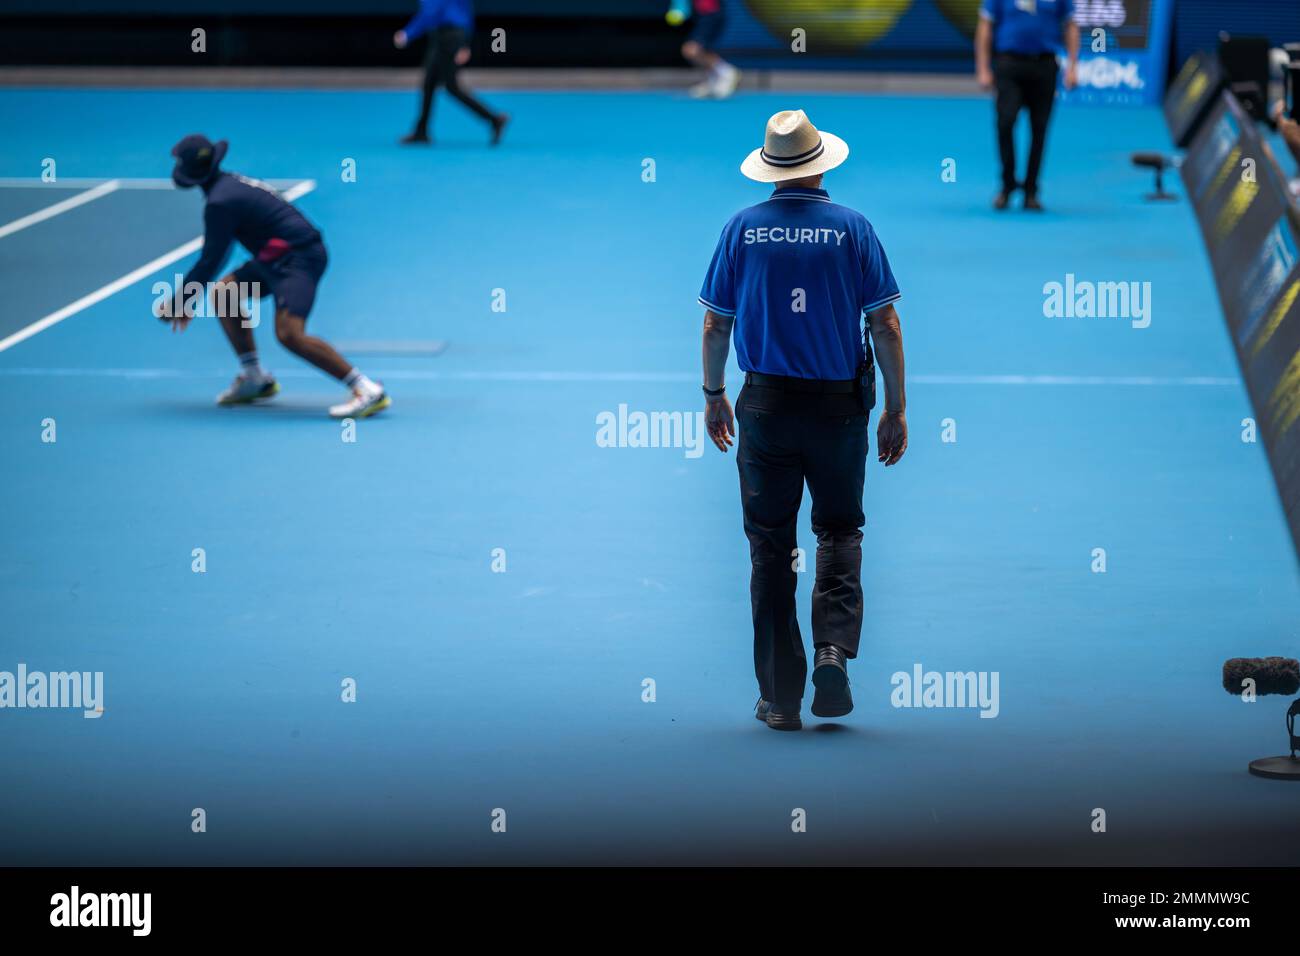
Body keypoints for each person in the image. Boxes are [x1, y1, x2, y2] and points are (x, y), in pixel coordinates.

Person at [698, 110, 908, 731]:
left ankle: (781, 698)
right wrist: (895, 408)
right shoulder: (853, 229)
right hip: (840, 410)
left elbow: (716, 324)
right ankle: (832, 651)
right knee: (839, 532)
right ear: (821, 164)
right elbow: (886, 324)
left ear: (769, 169)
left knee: (771, 550)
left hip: (765, 408)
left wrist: (714, 393)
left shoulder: (741, 230)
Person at [159, 135, 391, 419]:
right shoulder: (228, 185)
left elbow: (211, 259)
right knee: (226, 292)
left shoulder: (220, 202)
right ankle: (255, 378)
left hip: (299, 258)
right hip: (275, 257)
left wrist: (181, 300)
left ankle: (366, 389)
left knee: (289, 334)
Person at [975, 0, 1079, 211]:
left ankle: (1031, 191)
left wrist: (1073, 66)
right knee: (1005, 122)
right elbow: (985, 26)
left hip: (1045, 66)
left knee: (1039, 129)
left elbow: (1070, 26)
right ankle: (1007, 185)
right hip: (1009, 65)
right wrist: (983, 68)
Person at [394, 0, 508, 146]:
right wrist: (465, 42)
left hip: (448, 38)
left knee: (451, 87)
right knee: (429, 84)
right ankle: (421, 131)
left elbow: (430, 13)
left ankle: (495, 119)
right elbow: (465, 12)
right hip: (449, 37)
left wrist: (407, 34)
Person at [680, 0, 740, 100]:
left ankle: (727, 71)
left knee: (691, 50)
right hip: (703, 15)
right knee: (702, 50)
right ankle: (713, 81)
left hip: (710, 15)